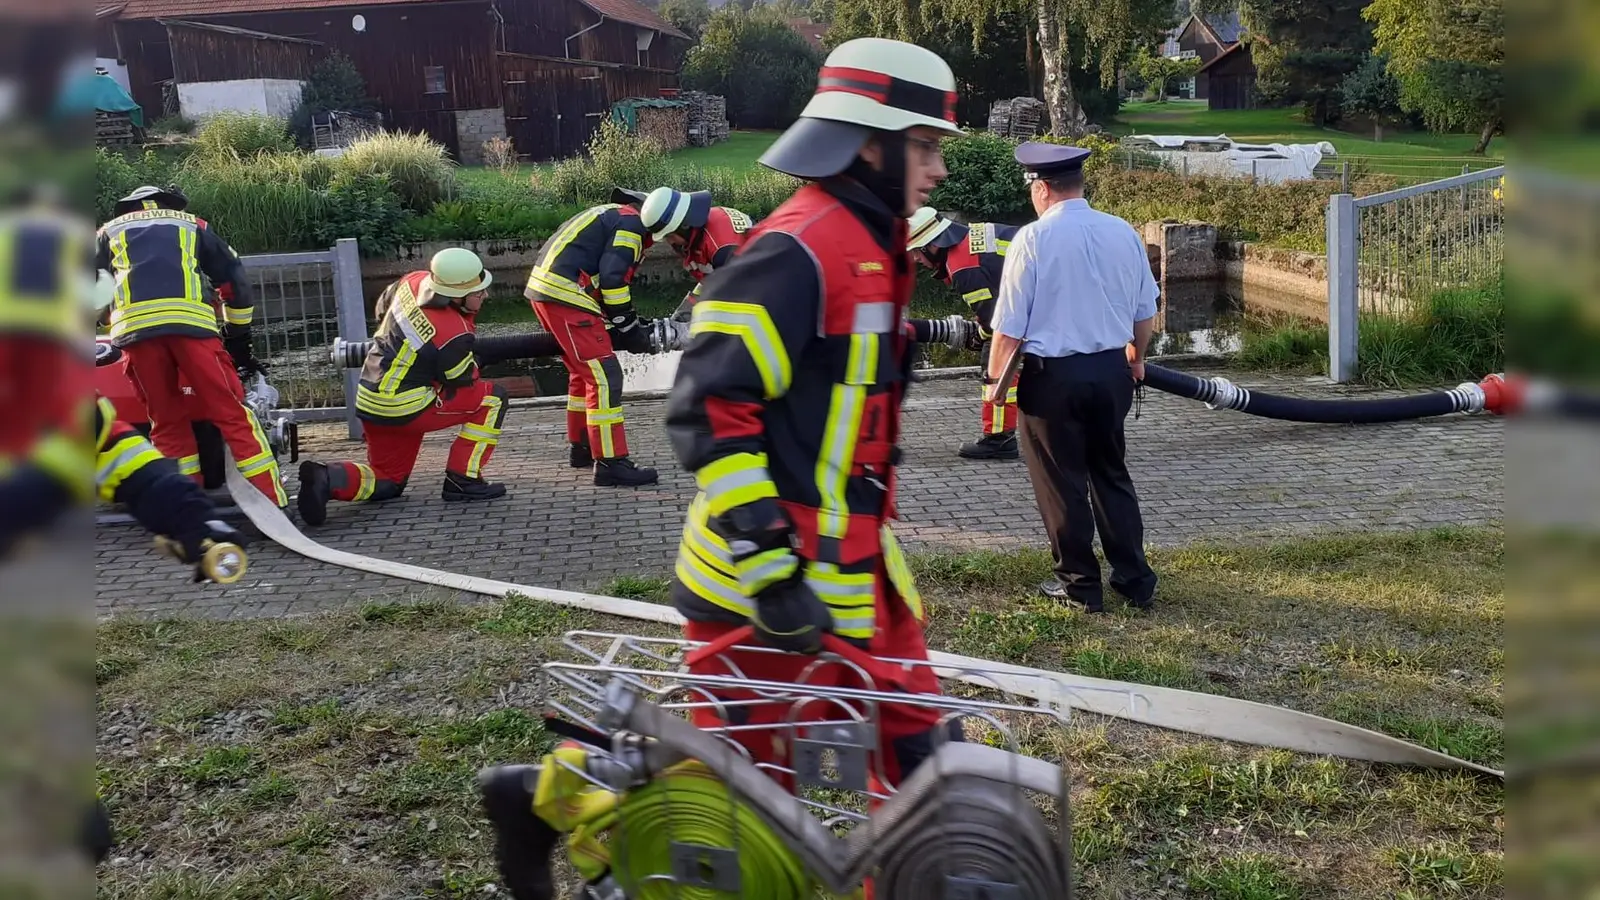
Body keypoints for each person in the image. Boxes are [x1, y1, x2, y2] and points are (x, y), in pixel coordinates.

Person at [663, 37, 968, 787]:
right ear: (869, 147)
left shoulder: (871, 244)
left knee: (921, 760)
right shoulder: (794, 250)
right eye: (925, 147)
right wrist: (771, 573)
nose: (939, 169)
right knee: (740, 812)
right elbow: (706, 412)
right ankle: (559, 800)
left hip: (853, 572)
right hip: (761, 592)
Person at [986, 142, 1159, 613]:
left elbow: (1009, 326)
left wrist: (994, 385)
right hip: (1112, 372)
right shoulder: (1122, 231)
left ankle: (1080, 585)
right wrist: (1137, 359)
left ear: (1040, 189)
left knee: (1061, 482)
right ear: (1079, 184)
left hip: (1053, 379)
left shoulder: (1032, 239)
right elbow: (1146, 311)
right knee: (1111, 474)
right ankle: (1135, 579)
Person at [94, 185, 287, 510]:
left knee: (166, 422)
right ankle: (271, 502)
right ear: (171, 204)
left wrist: (101, 320)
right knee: (232, 415)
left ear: (126, 208)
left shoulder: (106, 232)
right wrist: (239, 340)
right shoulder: (192, 225)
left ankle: (185, 507)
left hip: (135, 336)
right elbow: (234, 282)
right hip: (193, 331)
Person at [297, 248, 507, 524]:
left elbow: (382, 308)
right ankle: (463, 479)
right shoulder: (454, 332)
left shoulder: (413, 281)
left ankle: (327, 477)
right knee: (493, 398)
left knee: (388, 481)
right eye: (479, 292)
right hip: (407, 408)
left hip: (371, 398)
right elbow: (461, 378)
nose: (485, 296)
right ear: (456, 295)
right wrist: (475, 359)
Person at [523, 198, 659, 487]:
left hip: (547, 291)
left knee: (581, 373)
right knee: (605, 377)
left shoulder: (611, 213)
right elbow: (613, 280)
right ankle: (611, 462)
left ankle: (582, 447)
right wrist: (627, 323)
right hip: (568, 296)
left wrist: (626, 319)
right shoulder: (633, 226)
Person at [905, 206, 1022, 460]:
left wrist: (978, 338)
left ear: (932, 245)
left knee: (995, 360)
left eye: (916, 251)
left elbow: (994, 323)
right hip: (1051, 292)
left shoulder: (963, 267)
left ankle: (999, 439)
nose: (916, 259)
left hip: (1040, 301)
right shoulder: (972, 237)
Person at [617, 186, 755, 322]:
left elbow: (737, 298)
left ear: (683, 225)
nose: (669, 242)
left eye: (670, 236)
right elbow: (711, 283)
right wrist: (683, 315)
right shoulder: (697, 234)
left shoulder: (722, 247)